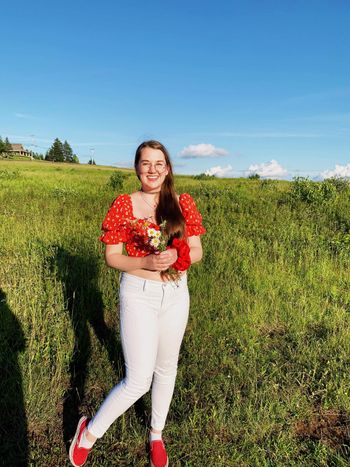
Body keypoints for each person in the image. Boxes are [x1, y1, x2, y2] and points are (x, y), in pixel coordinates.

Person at [69, 140, 206, 467]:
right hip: (139, 294)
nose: (153, 169)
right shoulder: (124, 205)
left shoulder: (182, 203)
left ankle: (156, 434)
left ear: (168, 167)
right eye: (146, 163)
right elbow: (112, 258)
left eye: (159, 163)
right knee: (138, 379)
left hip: (176, 294)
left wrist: (178, 255)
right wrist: (145, 262)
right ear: (137, 168)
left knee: (166, 368)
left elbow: (197, 250)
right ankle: (89, 432)